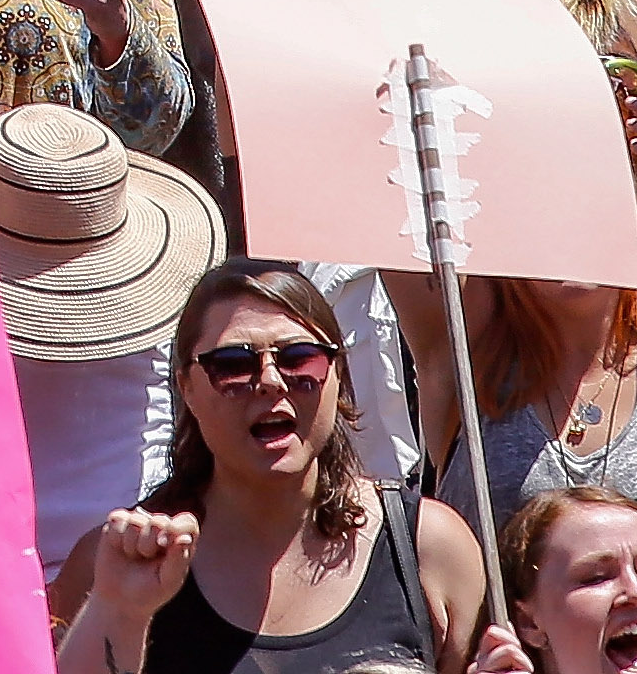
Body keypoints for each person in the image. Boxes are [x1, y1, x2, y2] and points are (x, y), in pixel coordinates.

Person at [54, 257, 488, 674]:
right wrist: (120, 610)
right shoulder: (115, 564)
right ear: (186, 387)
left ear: (338, 374)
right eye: (232, 366)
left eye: (300, 359)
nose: (270, 381)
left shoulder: (428, 548)